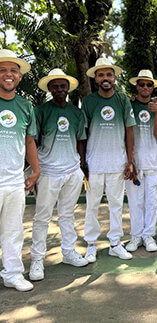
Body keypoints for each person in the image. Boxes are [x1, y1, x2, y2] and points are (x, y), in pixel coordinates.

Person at [29, 69, 88, 282]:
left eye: (63, 86)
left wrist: (82, 167)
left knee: (67, 215)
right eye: (55, 86)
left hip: (71, 170)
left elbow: (81, 139)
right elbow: (32, 142)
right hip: (49, 171)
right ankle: (37, 259)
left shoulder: (76, 112)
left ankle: (69, 252)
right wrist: (35, 169)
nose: (59, 90)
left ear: (68, 88)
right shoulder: (41, 111)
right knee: (42, 217)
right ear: (50, 89)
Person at [82, 58, 135, 262]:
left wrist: (129, 161)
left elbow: (130, 132)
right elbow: (83, 134)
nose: (105, 78)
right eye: (101, 75)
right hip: (94, 164)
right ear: (96, 78)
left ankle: (115, 243)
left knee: (116, 205)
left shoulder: (122, 100)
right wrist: (83, 162)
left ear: (114, 78)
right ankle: (91, 245)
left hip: (117, 163)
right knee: (92, 205)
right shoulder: (88, 102)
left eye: (109, 75)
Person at [0, 49, 39, 291]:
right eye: (2, 70)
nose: (8, 74)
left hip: (14, 179)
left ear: (20, 76)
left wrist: (35, 170)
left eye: (13, 70)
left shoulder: (25, 106)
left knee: (13, 230)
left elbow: (29, 141)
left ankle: (13, 274)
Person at [125, 70, 157, 252]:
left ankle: (149, 235)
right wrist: (130, 160)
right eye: (142, 84)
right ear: (137, 86)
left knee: (151, 201)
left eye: (149, 85)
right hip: (134, 161)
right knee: (135, 201)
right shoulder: (129, 105)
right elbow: (126, 133)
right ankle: (135, 236)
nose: (145, 88)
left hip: (153, 161)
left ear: (153, 88)